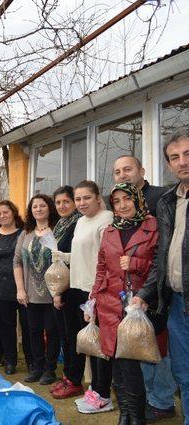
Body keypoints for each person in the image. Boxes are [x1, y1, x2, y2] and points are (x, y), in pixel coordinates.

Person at [113, 156, 177, 422]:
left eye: (128, 169)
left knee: (159, 349)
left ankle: (162, 401)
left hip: (159, 293)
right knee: (139, 348)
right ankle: (151, 399)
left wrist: (148, 290)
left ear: (142, 170)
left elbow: (164, 252)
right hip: (130, 295)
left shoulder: (162, 198)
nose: (123, 174)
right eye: (117, 171)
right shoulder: (118, 213)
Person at [89, 183, 158, 425]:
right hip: (109, 304)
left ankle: (137, 417)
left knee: (129, 365)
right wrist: (93, 299)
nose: (122, 205)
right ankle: (124, 413)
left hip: (137, 305)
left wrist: (136, 264)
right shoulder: (108, 231)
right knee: (115, 363)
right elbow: (101, 268)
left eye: (127, 199)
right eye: (116, 201)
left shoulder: (152, 226)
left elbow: (160, 267)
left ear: (137, 199)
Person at [134, 128, 189, 425]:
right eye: (175, 157)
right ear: (168, 165)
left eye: (188, 154)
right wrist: (145, 294)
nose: (182, 162)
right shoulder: (168, 202)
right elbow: (162, 257)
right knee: (183, 373)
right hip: (177, 305)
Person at [63, 180, 114, 414]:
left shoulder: (106, 219)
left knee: (102, 345)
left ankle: (103, 395)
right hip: (80, 288)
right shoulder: (81, 221)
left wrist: (96, 291)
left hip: (98, 290)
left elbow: (107, 258)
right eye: (78, 199)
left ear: (97, 198)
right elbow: (81, 253)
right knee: (91, 342)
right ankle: (94, 389)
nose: (81, 203)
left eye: (86, 198)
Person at [14, 195, 60, 385]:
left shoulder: (57, 230)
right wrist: (20, 289)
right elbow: (17, 262)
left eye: (42, 206)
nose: (39, 209)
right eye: (35, 206)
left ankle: (50, 369)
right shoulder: (26, 233)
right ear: (30, 211)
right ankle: (37, 367)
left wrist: (58, 291)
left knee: (52, 331)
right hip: (30, 293)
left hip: (53, 293)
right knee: (33, 331)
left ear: (49, 208)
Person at [0, 200, 31, 374]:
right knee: (6, 327)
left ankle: (31, 362)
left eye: (6, 212)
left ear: (13, 212)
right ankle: (10, 361)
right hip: (1, 290)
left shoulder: (25, 233)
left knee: (28, 326)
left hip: (25, 289)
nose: (2, 216)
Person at [49, 186, 84, 400]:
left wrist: (60, 291)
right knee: (65, 336)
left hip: (73, 289)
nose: (62, 206)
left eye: (66, 202)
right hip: (60, 289)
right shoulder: (61, 225)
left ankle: (75, 380)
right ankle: (68, 376)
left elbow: (72, 259)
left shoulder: (78, 224)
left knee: (72, 337)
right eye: (58, 202)